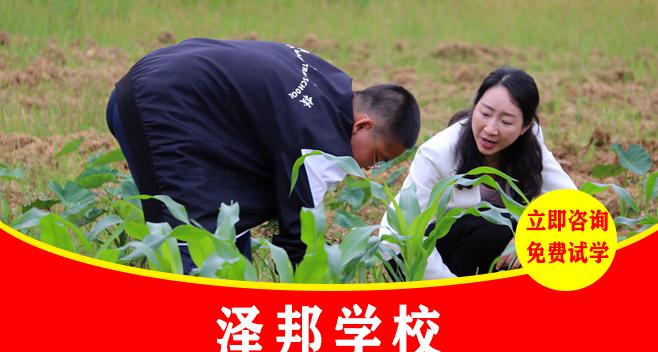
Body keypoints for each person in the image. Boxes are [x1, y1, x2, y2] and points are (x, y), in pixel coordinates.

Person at [106, 38, 420, 272]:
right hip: (160, 106)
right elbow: (299, 237)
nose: (367, 168)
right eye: (376, 157)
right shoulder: (317, 142)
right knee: (194, 249)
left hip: (160, 84)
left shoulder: (329, 81)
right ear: (363, 125)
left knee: (226, 232)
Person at [381, 67, 575, 279]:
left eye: (506, 122)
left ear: (525, 126)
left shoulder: (530, 143)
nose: (490, 129)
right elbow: (411, 234)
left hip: (476, 243)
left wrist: (532, 235)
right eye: (485, 113)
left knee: (522, 229)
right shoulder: (436, 154)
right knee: (497, 227)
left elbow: (569, 200)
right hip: (411, 253)